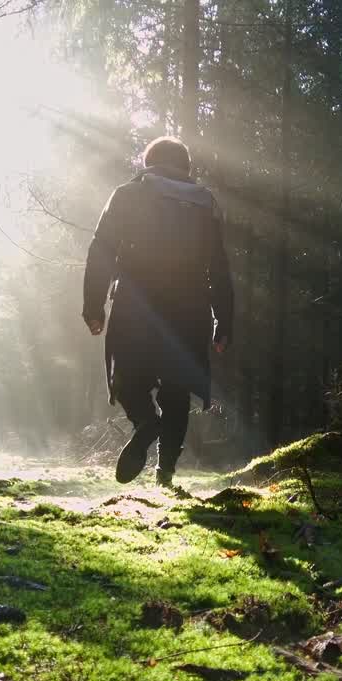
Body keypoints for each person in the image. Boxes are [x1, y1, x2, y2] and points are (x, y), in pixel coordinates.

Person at [82, 136, 233, 490]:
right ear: (186, 167)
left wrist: (93, 305)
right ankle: (165, 473)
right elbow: (219, 268)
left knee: (127, 379)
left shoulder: (128, 194)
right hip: (191, 308)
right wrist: (223, 322)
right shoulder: (207, 204)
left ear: (149, 162)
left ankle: (146, 423)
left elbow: (100, 250)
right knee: (176, 389)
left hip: (136, 303)